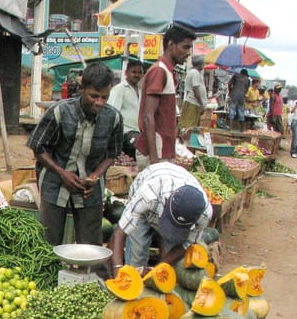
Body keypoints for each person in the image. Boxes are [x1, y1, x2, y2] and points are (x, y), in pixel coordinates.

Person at [27, 63, 123, 247]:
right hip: (54, 183)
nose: (99, 102)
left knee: (90, 245)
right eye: (94, 96)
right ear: (82, 89)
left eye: (104, 97)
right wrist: (62, 173)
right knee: (49, 242)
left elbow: (112, 154)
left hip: (90, 190)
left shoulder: (114, 118)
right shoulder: (59, 112)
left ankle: (86, 268)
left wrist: (95, 176)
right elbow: (38, 147)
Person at [109, 161, 212, 271]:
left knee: (169, 259)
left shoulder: (204, 214)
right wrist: (117, 269)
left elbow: (186, 245)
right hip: (147, 194)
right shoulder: (148, 195)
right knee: (137, 252)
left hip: (166, 192)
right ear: (166, 202)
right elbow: (120, 232)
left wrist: (158, 269)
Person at [135, 26, 195, 169]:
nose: (188, 53)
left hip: (162, 150)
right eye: (185, 47)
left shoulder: (167, 71)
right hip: (156, 152)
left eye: (190, 48)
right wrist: (154, 158)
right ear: (171, 45)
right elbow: (148, 115)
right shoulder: (159, 71)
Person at [108, 59, 144, 157]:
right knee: (140, 149)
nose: (137, 75)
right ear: (126, 73)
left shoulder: (142, 90)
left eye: (139, 72)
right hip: (126, 133)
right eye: (134, 72)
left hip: (139, 132)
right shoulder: (119, 89)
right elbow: (112, 112)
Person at [178, 55, 208, 129]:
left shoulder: (194, 72)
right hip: (193, 103)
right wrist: (201, 104)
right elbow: (195, 89)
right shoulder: (195, 73)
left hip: (193, 102)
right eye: (203, 64)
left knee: (190, 125)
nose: (203, 65)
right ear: (199, 64)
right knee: (189, 126)